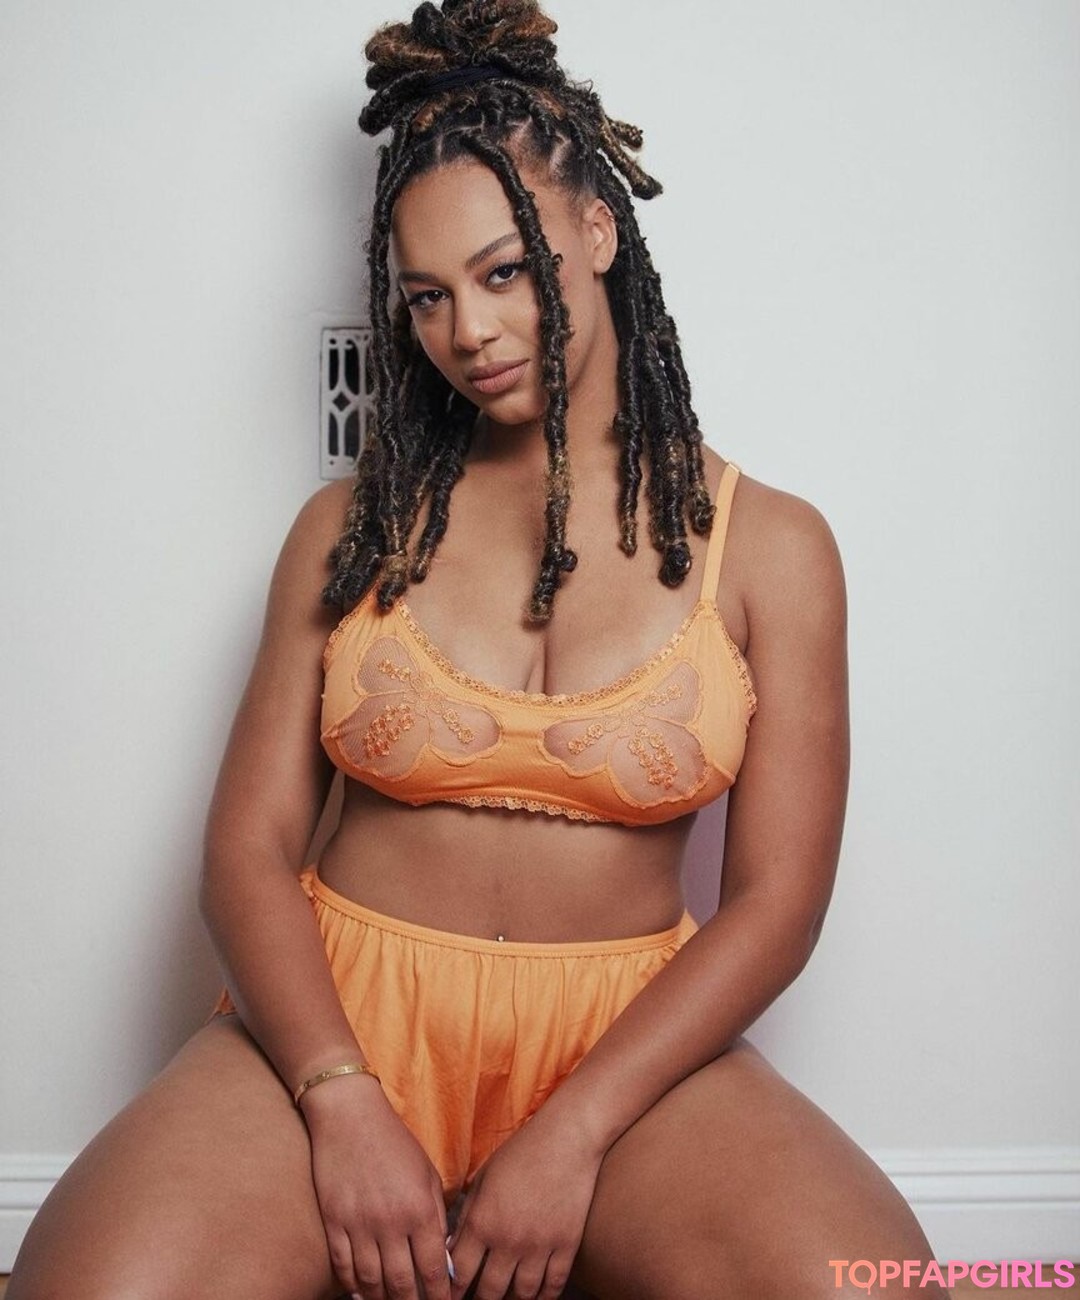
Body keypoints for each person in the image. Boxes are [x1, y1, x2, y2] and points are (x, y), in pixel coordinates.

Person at [7, 3, 950, 1298]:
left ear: (599, 231)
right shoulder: (353, 530)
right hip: (339, 1026)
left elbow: (777, 904)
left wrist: (574, 1132)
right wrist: (338, 1095)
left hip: (626, 1052)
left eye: (506, 273)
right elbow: (245, 851)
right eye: (429, 297)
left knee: (873, 1286)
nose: (472, 333)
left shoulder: (773, 549)